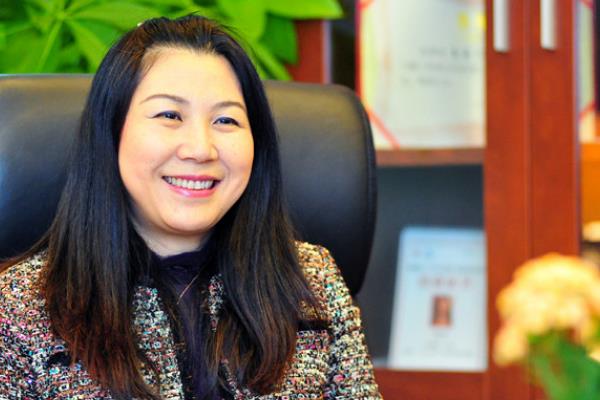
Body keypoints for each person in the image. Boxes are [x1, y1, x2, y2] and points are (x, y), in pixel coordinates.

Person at [0, 15, 382, 399]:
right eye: (170, 115)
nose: (201, 149)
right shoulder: (19, 308)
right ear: (111, 132)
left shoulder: (313, 282)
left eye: (226, 120)